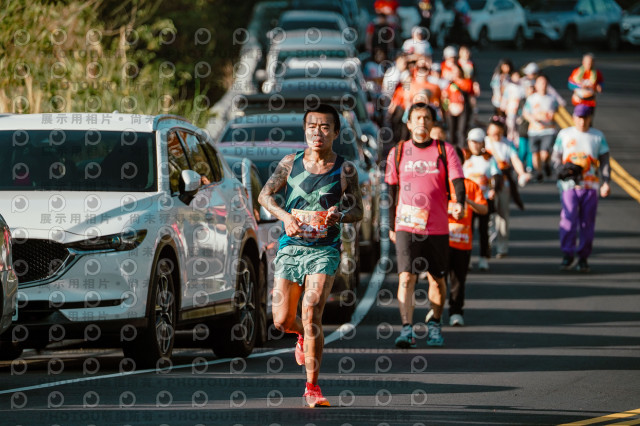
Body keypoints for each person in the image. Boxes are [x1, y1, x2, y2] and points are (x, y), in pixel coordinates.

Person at [258, 103, 363, 407]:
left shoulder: (345, 169)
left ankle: (312, 387)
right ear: (305, 131)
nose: (318, 133)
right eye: (312, 127)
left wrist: (340, 215)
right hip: (291, 248)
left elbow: (359, 210)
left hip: (324, 250)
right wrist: (285, 217)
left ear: (336, 132)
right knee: (281, 321)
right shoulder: (290, 163)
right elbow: (264, 195)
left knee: (312, 308)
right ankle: (302, 335)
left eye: (325, 127)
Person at [384, 102, 466, 348]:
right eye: (417, 118)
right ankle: (406, 329)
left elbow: (458, 181)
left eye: (426, 118)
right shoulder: (398, 152)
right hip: (406, 225)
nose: (422, 122)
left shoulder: (445, 150)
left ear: (432, 123)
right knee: (406, 277)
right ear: (409, 124)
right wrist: (391, 225)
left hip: (437, 226)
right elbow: (391, 191)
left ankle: (435, 324)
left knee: (437, 279)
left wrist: (460, 203)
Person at [552, 104, 610, 272]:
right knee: (569, 219)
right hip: (568, 185)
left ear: (590, 118)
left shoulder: (597, 136)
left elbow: (605, 161)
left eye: (585, 118)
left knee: (587, 223)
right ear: (573, 118)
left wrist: (606, 182)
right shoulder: (565, 134)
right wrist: (561, 169)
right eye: (579, 117)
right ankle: (567, 253)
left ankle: (583, 257)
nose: (582, 121)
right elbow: (556, 157)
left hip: (590, 185)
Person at [447, 147, 488, 326]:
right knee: (437, 279)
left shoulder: (471, 185)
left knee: (458, 279)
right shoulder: (439, 184)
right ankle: (435, 310)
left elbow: (484, 209)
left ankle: (456, 312)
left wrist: (467, 201)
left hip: (462, 241)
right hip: (441, 239)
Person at [484, 120, 529, 258]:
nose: (496, 136)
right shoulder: (483, 142)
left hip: (503, 184)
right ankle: (487, 246)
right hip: (487, 185)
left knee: (503, 216)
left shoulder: (508, 144)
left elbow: (515, 160)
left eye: (498, 133)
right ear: (488, 131)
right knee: (488, 217)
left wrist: (521, 173)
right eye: (493, 133)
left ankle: (502, 248)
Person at [464, 128, 501, 271]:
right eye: (472, 142)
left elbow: (496, 175)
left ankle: (483, 258)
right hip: (468, 201)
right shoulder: (465, 158)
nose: (474, 145)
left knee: (484, 230)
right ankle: (466, 258)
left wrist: (493, 190)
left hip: (484, 200)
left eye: (477, 142)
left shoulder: (489, 158)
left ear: (482, 143)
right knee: (467, 230)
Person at [523, 74, 558, 182]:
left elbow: (555, 110)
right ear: (536, 85)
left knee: (545, 153)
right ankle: (539, 172)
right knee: (535, 154)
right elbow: (525, 113)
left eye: (544, 83)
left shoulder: (552, 98)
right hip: (534, 130)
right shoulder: (531, 99)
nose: (543, 85)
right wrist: (533, 120)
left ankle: (546, 163)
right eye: (540, 83)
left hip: (548, 129)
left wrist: (551, 115)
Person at [442, 63, 476, 146]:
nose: (456, 73)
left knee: (462, 130)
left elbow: (471, 96)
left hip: (464, 108)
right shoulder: (450, 84)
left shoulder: (467, 82)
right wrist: (446, 108)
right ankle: (452, 148)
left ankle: (462, 148)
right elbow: (445, 97)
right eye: (453, 71)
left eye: (457, 71)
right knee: (451, 130)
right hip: (452, 108)